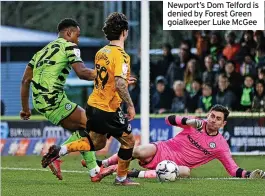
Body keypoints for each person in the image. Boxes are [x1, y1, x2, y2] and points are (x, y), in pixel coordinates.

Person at [41, 12, 139, 186]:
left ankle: (61, 150)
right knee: (129, 141)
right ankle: (121, 178)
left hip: (92, 105)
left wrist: (123, 81)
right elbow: (119, 84)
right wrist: (130, 105)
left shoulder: (102, 52)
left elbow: (103, 77)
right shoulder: (122, 55)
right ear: (124, 32)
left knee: (97, 143)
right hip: (108, 109)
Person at [20, 18, 116, 182]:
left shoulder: (41, 52)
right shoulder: (69, 46)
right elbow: (83, 73)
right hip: (53, 99)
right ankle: (58, 154)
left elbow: (25, 80)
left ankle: (94, 171)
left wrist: (26, 109)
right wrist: (109, 76)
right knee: (93, 125)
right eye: (77, 36)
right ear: (69, 33)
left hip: (40, 101)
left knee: (84, 130)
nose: (77, 40)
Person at [96, 104, 265, 180]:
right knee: (138, 150)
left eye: (218, 119)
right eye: (212, 116)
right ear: (208, 115)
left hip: (178, 165)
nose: (213, 120)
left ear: (223, 123)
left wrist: (248, 174)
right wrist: (187, 121)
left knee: (185, 172)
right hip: (163, 149)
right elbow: (168, 120)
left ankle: (131, 173)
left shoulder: (221, 146)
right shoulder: (195, 123)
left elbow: (232, 169)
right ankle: (102, 163)